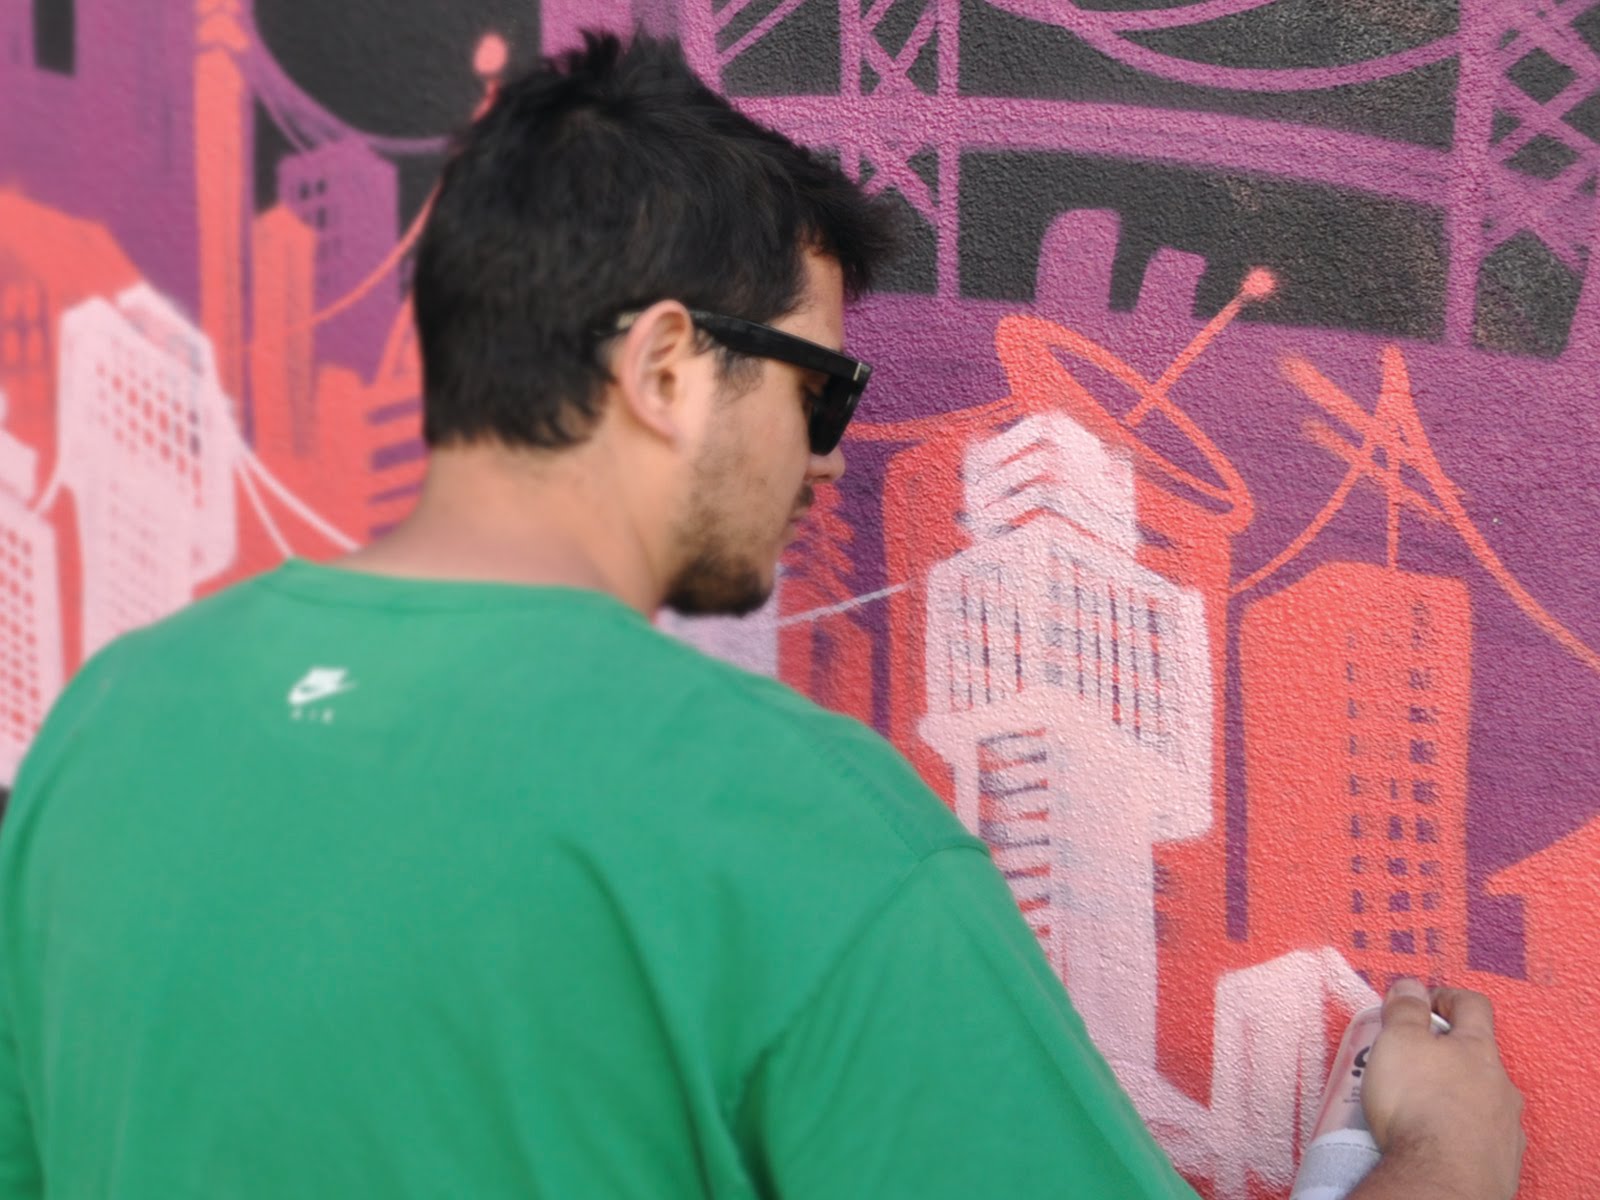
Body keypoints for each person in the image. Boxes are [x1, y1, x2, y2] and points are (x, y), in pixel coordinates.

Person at [0, 33, 1522, 1200]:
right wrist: (1444, 1163)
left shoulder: (108, 724)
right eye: (823, 386)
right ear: (667, 369)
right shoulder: (798, 826)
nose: (830, 456)